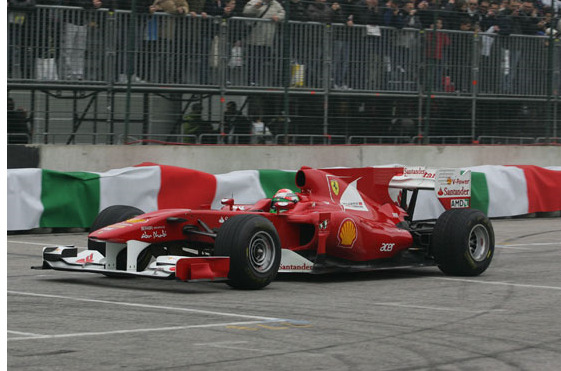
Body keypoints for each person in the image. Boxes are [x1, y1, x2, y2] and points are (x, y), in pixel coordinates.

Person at [243, 0, 285, 86]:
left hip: (268, 39)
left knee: (262, 61)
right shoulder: (254, 1)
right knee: (253, 61)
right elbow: (246, 12)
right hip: (254, 38)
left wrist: (278, 17)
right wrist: (256, 7)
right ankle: (251, 81)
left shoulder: (276, 4)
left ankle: (259, 81)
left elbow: (283, 13)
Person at [59, 0, 103, 80]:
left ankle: (78, 74)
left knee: (80, 50)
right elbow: (75, 2)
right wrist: (91, 3)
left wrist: (97, 3)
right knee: (67, 49)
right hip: (70, 21)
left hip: (82, 22)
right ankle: (67, 75)